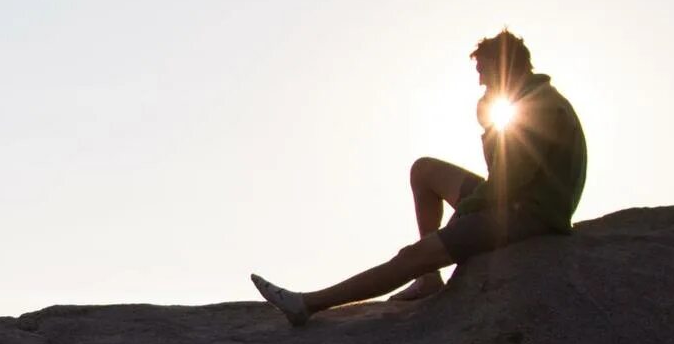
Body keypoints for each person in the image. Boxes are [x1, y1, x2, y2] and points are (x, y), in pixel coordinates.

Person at [249, 30, 586, 324]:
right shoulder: (530, 99)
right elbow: (504, 172)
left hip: (529, 213)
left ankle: (307, 304)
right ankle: (429, 279)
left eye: (484, 72)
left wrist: (466, 212)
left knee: (413, 254)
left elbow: (508, 182)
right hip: (518, 197)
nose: (481, 81)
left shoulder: (537, 107)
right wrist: (488, 126)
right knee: (424, 170)